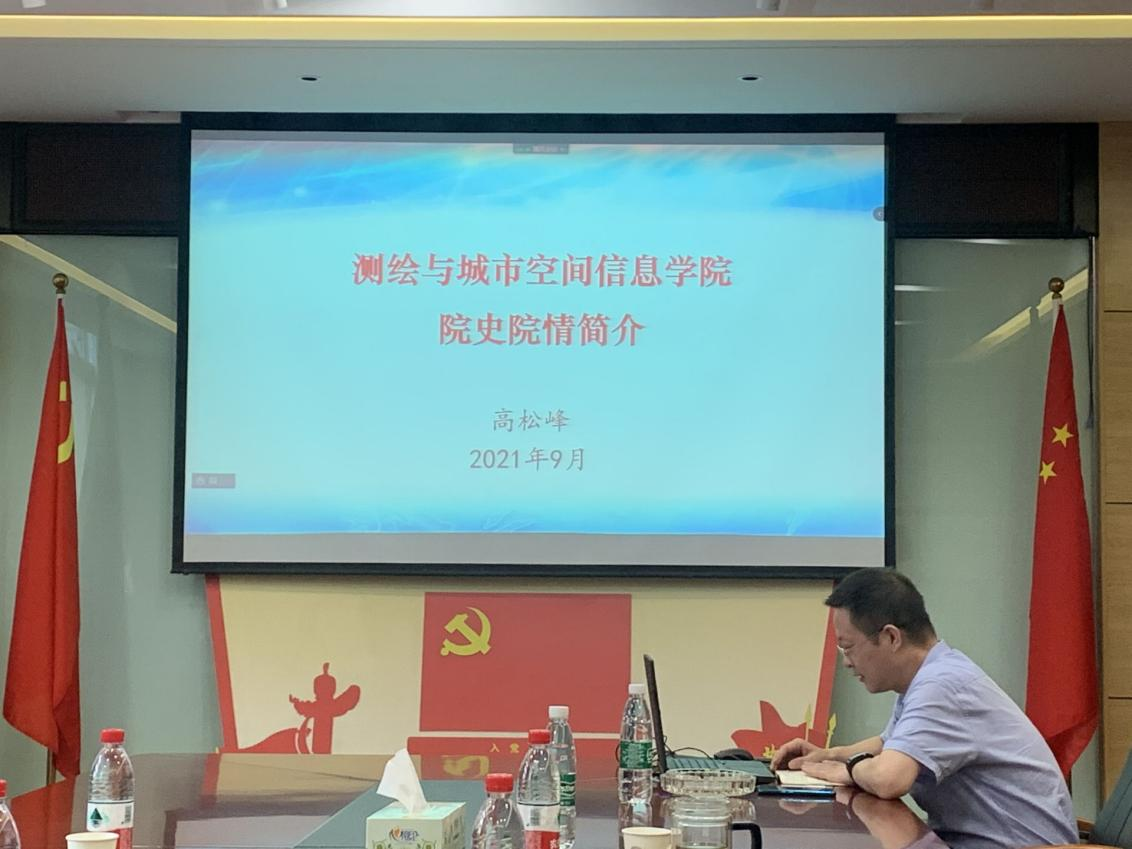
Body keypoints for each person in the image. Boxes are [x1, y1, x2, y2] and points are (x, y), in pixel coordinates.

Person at [770, 568, 1077, 849]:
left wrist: (848, 770)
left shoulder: (942, 686)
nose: (847, 662)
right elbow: (890, 743)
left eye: (848, 647)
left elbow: (889, 778)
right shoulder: (928, 676)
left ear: (891, 637)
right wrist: (828, 755)